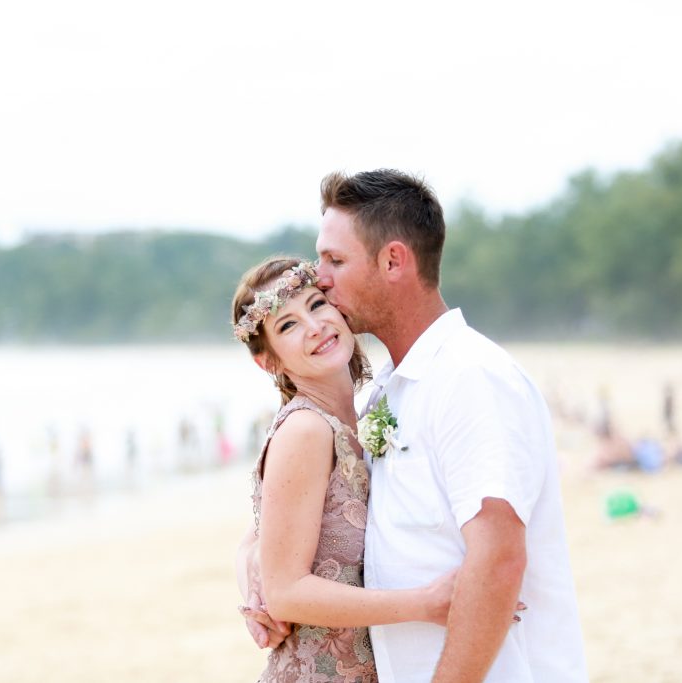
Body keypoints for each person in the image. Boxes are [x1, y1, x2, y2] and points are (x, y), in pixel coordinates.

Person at [244, 169, 587, 682]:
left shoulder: (470, 379)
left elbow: (497, 562)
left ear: (393, 261)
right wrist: (253, 559)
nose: (321, 278)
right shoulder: (392, 387)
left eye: (336, 260)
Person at [232, 256, 465, 682]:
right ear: (268, 362)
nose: (315, 326)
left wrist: (249, 567)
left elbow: (261, 533)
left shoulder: (359, 416)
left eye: (317, 304)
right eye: (288, 325)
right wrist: (427, 602)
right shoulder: (306, 429)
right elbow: (286, 594)